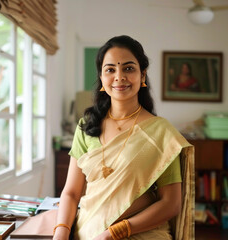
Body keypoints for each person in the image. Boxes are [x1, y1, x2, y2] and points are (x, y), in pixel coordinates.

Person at [53, 35, 194, 240]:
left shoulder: (161, 132)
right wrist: (61, 232)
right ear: (101, 77)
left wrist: (114, 233)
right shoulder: (87, 126)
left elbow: (170, 204)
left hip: (143, 233)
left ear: (142, 75)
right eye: (110, 69)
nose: (119, 76)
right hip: (88, 232)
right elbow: (71, 193)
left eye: (128, 68)